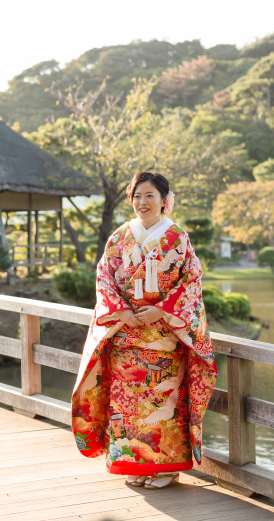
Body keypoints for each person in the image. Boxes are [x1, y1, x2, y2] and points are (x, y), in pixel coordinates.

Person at [71, 171, 217, 489]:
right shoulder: (120, 237)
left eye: (150, 195)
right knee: (125, 403)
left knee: (161, 406)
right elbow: (104, 276)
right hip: (125, 336)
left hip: (164, 338)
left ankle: (165, 468)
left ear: (165, 200)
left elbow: (191, 280)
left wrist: (161, 310)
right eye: (137, 196)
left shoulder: (177, 237)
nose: (142, 202)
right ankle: (133, 466)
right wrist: (120, 310)